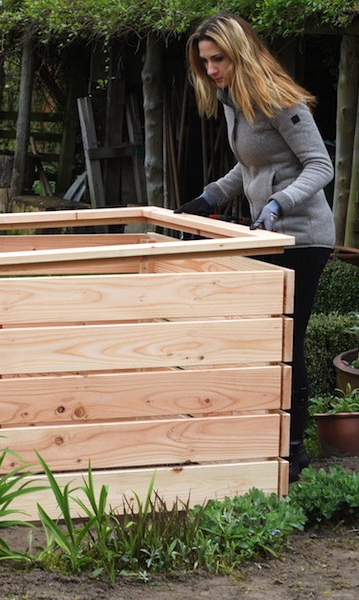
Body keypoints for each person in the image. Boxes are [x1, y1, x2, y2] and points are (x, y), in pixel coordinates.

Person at [178, 13, 335, 482]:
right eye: (205, 62)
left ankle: (293, 458)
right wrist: (208, 197)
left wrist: (279, 204)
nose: (211, 70)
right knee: (258, 341)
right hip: (266, 234)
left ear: (240, 52)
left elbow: (319, 165)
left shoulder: (280, 100)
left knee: (287, 342)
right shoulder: (234, 103)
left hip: (302, 237)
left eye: (218, 59)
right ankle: (259, 443)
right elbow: (250, 169)